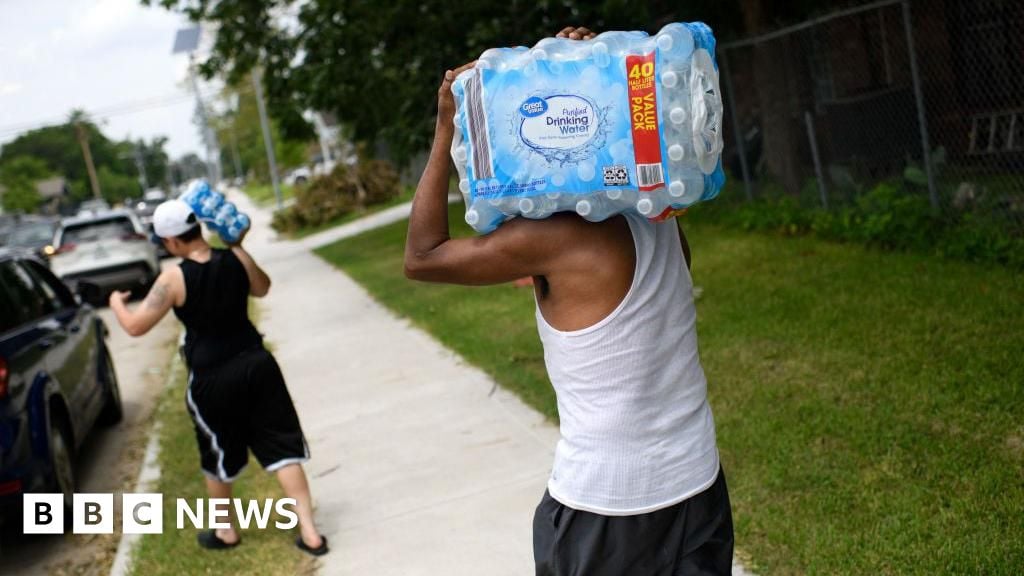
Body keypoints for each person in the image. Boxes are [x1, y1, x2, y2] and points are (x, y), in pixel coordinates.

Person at [404, 26, 733, 576]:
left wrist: (444, 129)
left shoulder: (551, 239)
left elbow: (422, 256)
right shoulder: (653, 212)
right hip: (696, 484)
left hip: (610, 507)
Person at [108, 199, 328, 556]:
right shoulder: (235, 256)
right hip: (257, 364)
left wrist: (116, 301)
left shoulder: (173, 278)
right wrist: (237, 245)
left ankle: (226, 531)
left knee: (218, 453)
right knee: (282, 447)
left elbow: (134, 326)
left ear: (172, 242)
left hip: (212, 379)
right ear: (197, 228)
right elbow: (263, 288)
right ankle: (310, 532)